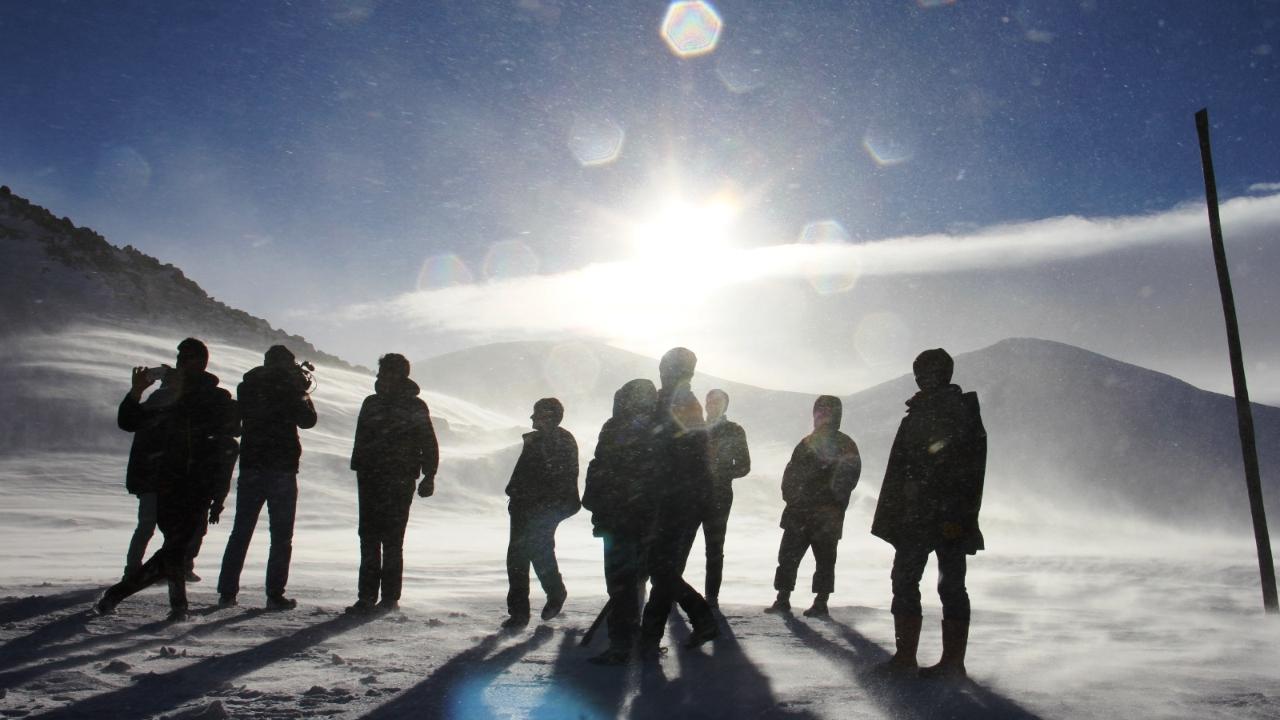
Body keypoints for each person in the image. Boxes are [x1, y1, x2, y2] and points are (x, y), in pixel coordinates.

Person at [97, 338, 239, 620]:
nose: (181, 364)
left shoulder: (210, 397)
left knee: (176, 547)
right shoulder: (173, 396)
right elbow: (130, 422)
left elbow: (231, 434)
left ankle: (176, 606)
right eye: (180, 359)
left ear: (200, 362)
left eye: (187, 359)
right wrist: (138, 392)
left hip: (189, 482)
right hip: (175, 482)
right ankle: (123, 594)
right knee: (177, 547)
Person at [872, 348, 987, 679]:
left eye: (931, 372)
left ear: (945, 374)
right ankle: (906, 656)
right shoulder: (919, 412)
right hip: (917, 515)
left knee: (948, 585)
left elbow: (967, 468)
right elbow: (905, 467)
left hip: (944, 515)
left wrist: (956, 513)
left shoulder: (958, 411)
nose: (925, 378)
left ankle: (951, 662)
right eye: (921, 373)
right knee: (907, 580)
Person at [217, 344, 317, 610]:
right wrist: (301, 391)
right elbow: (308, 420)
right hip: (282, 467)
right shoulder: (290, 388)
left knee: (241, 531)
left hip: (252, 465)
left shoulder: (248, 385)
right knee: (281, 536)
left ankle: (227, 592)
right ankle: (274, 594)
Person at [639, 347, 718, 654]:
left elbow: (686, 455)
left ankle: (694, 619)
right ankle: (652, 636)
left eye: (668, 368)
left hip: (677, 500)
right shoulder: (672, 400)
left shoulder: (682, 403)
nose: (663, 373)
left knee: (662, 569)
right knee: (662, 570)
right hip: (674, 498)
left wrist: (667, 489)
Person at [347, 353, 439, 614]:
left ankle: (388, 597)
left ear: (397, 375)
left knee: (391, 538)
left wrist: (429, 475)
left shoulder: (414, 405)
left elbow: (428, 441)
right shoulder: (372, 402)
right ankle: (367, 596)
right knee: (369, 536)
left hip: (398, 478)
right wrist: (360, 467)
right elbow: (361, 439)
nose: (379, 377)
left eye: (384, 372)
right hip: (372, 477)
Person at [581, 379, 660, 665]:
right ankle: (632, 637)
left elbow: (601, 468)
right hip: (637, 519)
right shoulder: (657, 429)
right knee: (632, 581)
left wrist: (598, 503)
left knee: (621, 582)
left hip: (622, 519)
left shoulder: (618, 428)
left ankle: (622, 644)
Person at [765, 395, 861, 618]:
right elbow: (790, 473)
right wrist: (791, 497)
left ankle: (820, 601)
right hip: (799, 512)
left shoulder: (845, 444)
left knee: (825, 560)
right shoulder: (806, 442)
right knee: (787, 557)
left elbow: (849, 476)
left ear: (836, 415)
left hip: (826, 515)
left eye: (828, 410)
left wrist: (830, 500)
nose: (823, 415)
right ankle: (783, 598)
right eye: (820, 410)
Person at [118, 369, 206, 582]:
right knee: (165, 528)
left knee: (147, 526)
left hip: (152, 477)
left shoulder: (153, 404)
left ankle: (135, 570)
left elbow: (128, 421)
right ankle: (163, 569)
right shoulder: (169, 404)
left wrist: (136, 391)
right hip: (163, 477)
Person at [502, 397, 580, 629]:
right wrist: (516, 494)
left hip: (545, 508)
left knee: (537, 551)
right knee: (519, 556)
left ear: (549, 416)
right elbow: (524, 473)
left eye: (537, 413)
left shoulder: (562, 441)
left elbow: (561, 479)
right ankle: (520, 612)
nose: (532, 417)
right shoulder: (538, 440)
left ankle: (554, 594)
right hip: (525, 506)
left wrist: (541, 504)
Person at [699, 388, 751, 608]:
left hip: (719, 496)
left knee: (714, 548)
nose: (713, 405)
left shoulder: (734, 430)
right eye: (710, 401)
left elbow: (744, 466)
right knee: (680, 545)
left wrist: (720, 473)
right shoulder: (694, 428)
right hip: (692, 494)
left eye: (718, 402)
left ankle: (711, 597)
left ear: (725, 406)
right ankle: (671, 592)